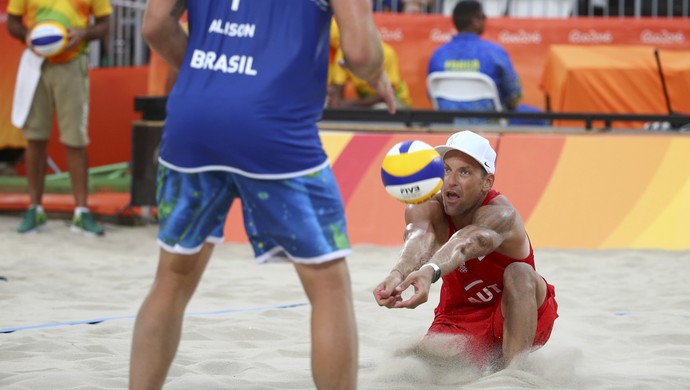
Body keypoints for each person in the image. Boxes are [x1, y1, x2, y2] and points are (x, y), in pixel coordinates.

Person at [129, 1, 395, 389]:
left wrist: (215, 80)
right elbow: (361, 53)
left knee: (171, 278)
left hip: (193, 118)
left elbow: (154, 26)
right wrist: (378, 76)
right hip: (275, 126)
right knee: (327, 285)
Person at [373, 130, 558, 369]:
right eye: (447, 169)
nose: (451, 180)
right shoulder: (426, 206)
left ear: (486, 182)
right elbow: (418, 236)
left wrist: (429, 271)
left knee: (520, 273)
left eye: (464, 172)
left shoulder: (500, 214)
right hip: (460, 315)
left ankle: (514, 375)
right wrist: (397, 275)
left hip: (519, 311)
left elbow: (464, 243)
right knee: (411, 364)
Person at [6, 0, 111, 236]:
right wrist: (28, 35)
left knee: (76, 138)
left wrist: (83, 33)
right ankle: (34, 208)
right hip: (35, 64)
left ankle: (81, 211)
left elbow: (105, 25)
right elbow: (12, 23)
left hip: (72, 63)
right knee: (35, 137)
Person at [427, 0, 545, 125]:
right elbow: (514, 95)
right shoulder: (494, 52)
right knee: (540, 118)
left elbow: (432, 96)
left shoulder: (438, 55)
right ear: (475, 21)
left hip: (448, 125)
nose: (485, 19)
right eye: (483, 16)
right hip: (490, 124)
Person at [328, 40, 412, 110]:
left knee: (382, 108)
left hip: (393, 101)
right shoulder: (343, 54)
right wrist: (337, 102)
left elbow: (386, 96)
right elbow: (337, 92)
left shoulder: (386, 53)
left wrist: (350, 104)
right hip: (364, 105)